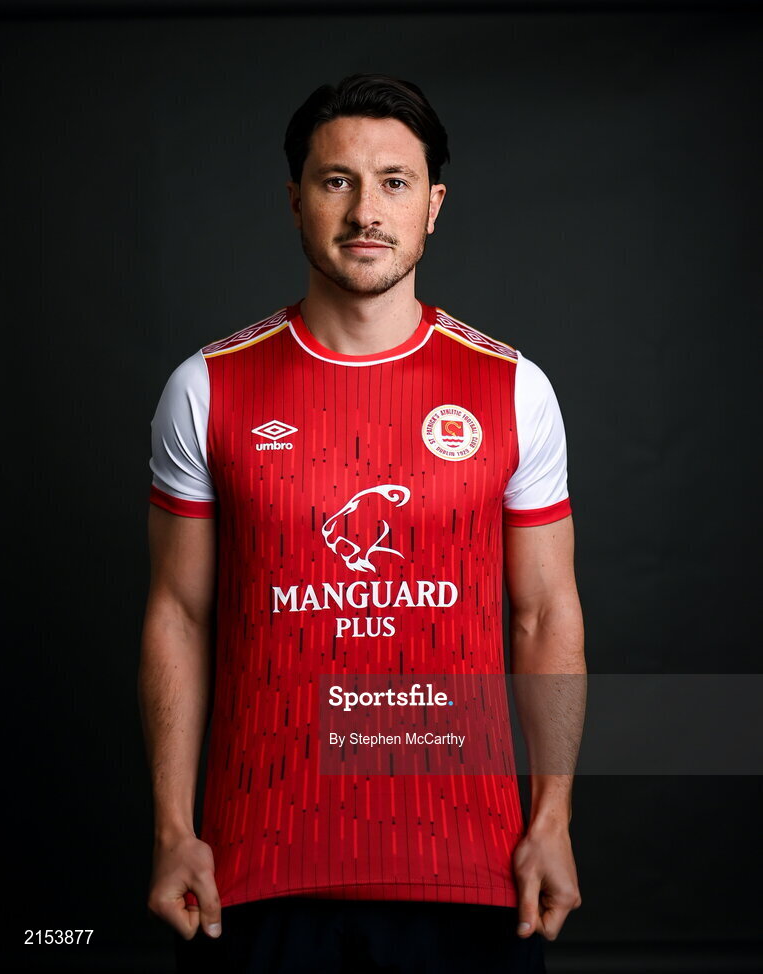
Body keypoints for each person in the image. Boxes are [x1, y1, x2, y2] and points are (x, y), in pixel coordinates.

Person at [139, 73, 585, 974]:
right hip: (252, 875)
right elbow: (178, 616)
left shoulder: (512, 389)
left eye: (394, 181)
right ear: (296, 200)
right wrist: (173, 830)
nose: (365, 211)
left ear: (433, 205)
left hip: (468, 871)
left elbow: (545, 615)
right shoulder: (205, 387)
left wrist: (552, 821)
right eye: (337, 180)